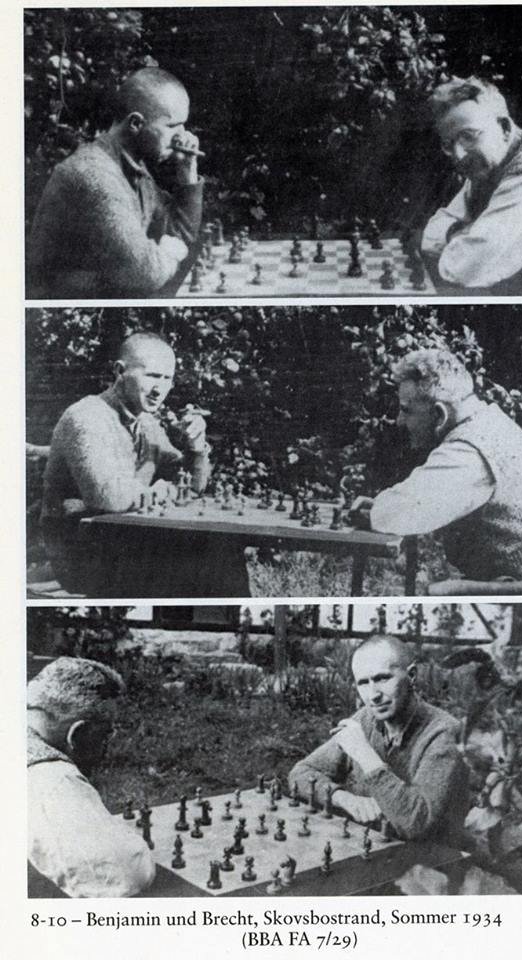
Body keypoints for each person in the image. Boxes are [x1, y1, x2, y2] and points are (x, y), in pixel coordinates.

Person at [40, 330, 249, 597]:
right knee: (204, 557)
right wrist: (165, 491)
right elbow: (109, 497)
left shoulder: (146, 423)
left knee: (223, 546)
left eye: (167, 379)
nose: (159, 389)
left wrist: (197, 449)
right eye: (151, 375)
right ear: (119, 371)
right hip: (81, 555)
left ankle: (228, 620)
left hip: (122, 540)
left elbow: (192, 485)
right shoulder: (86, 416)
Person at [351, 349, 522, 596]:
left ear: (440, 415)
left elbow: (399, 514)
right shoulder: (489, 423)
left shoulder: (470, 450)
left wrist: (378, 510)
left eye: (406, 410)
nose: (399, 421)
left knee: (439, 592)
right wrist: (380, 507)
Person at [28, 67, 203, 298]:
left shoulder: (131, 166)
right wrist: (170, 252)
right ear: (135, 124)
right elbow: (145, 274)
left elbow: (176, 234)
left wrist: (187, 172)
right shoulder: (95, 175)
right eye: (172, 126)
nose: (183, 137)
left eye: (183, 125)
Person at [289, 636, 469, 846]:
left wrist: (366, 756)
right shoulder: (365, 719)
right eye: (363, 683)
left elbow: (417, 824)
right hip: (374, 847)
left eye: (383, 679)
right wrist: (344, 798)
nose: (373, 695)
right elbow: (300, 773)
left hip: (434, 861)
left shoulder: (446, 733)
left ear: (411, 675)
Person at [421, 77, 522, 295]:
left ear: (505, 127)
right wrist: (464, 235)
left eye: (469, 137)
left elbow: (463, 268)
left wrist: (461, 237)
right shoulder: (493, 162)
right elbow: (431, 234)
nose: (459, 155)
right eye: (448, 144)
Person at [27, 657, 156, 898]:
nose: (107, 749)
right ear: (78, 734)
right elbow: (127, 875)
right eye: (106, 734)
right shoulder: (51, 778)